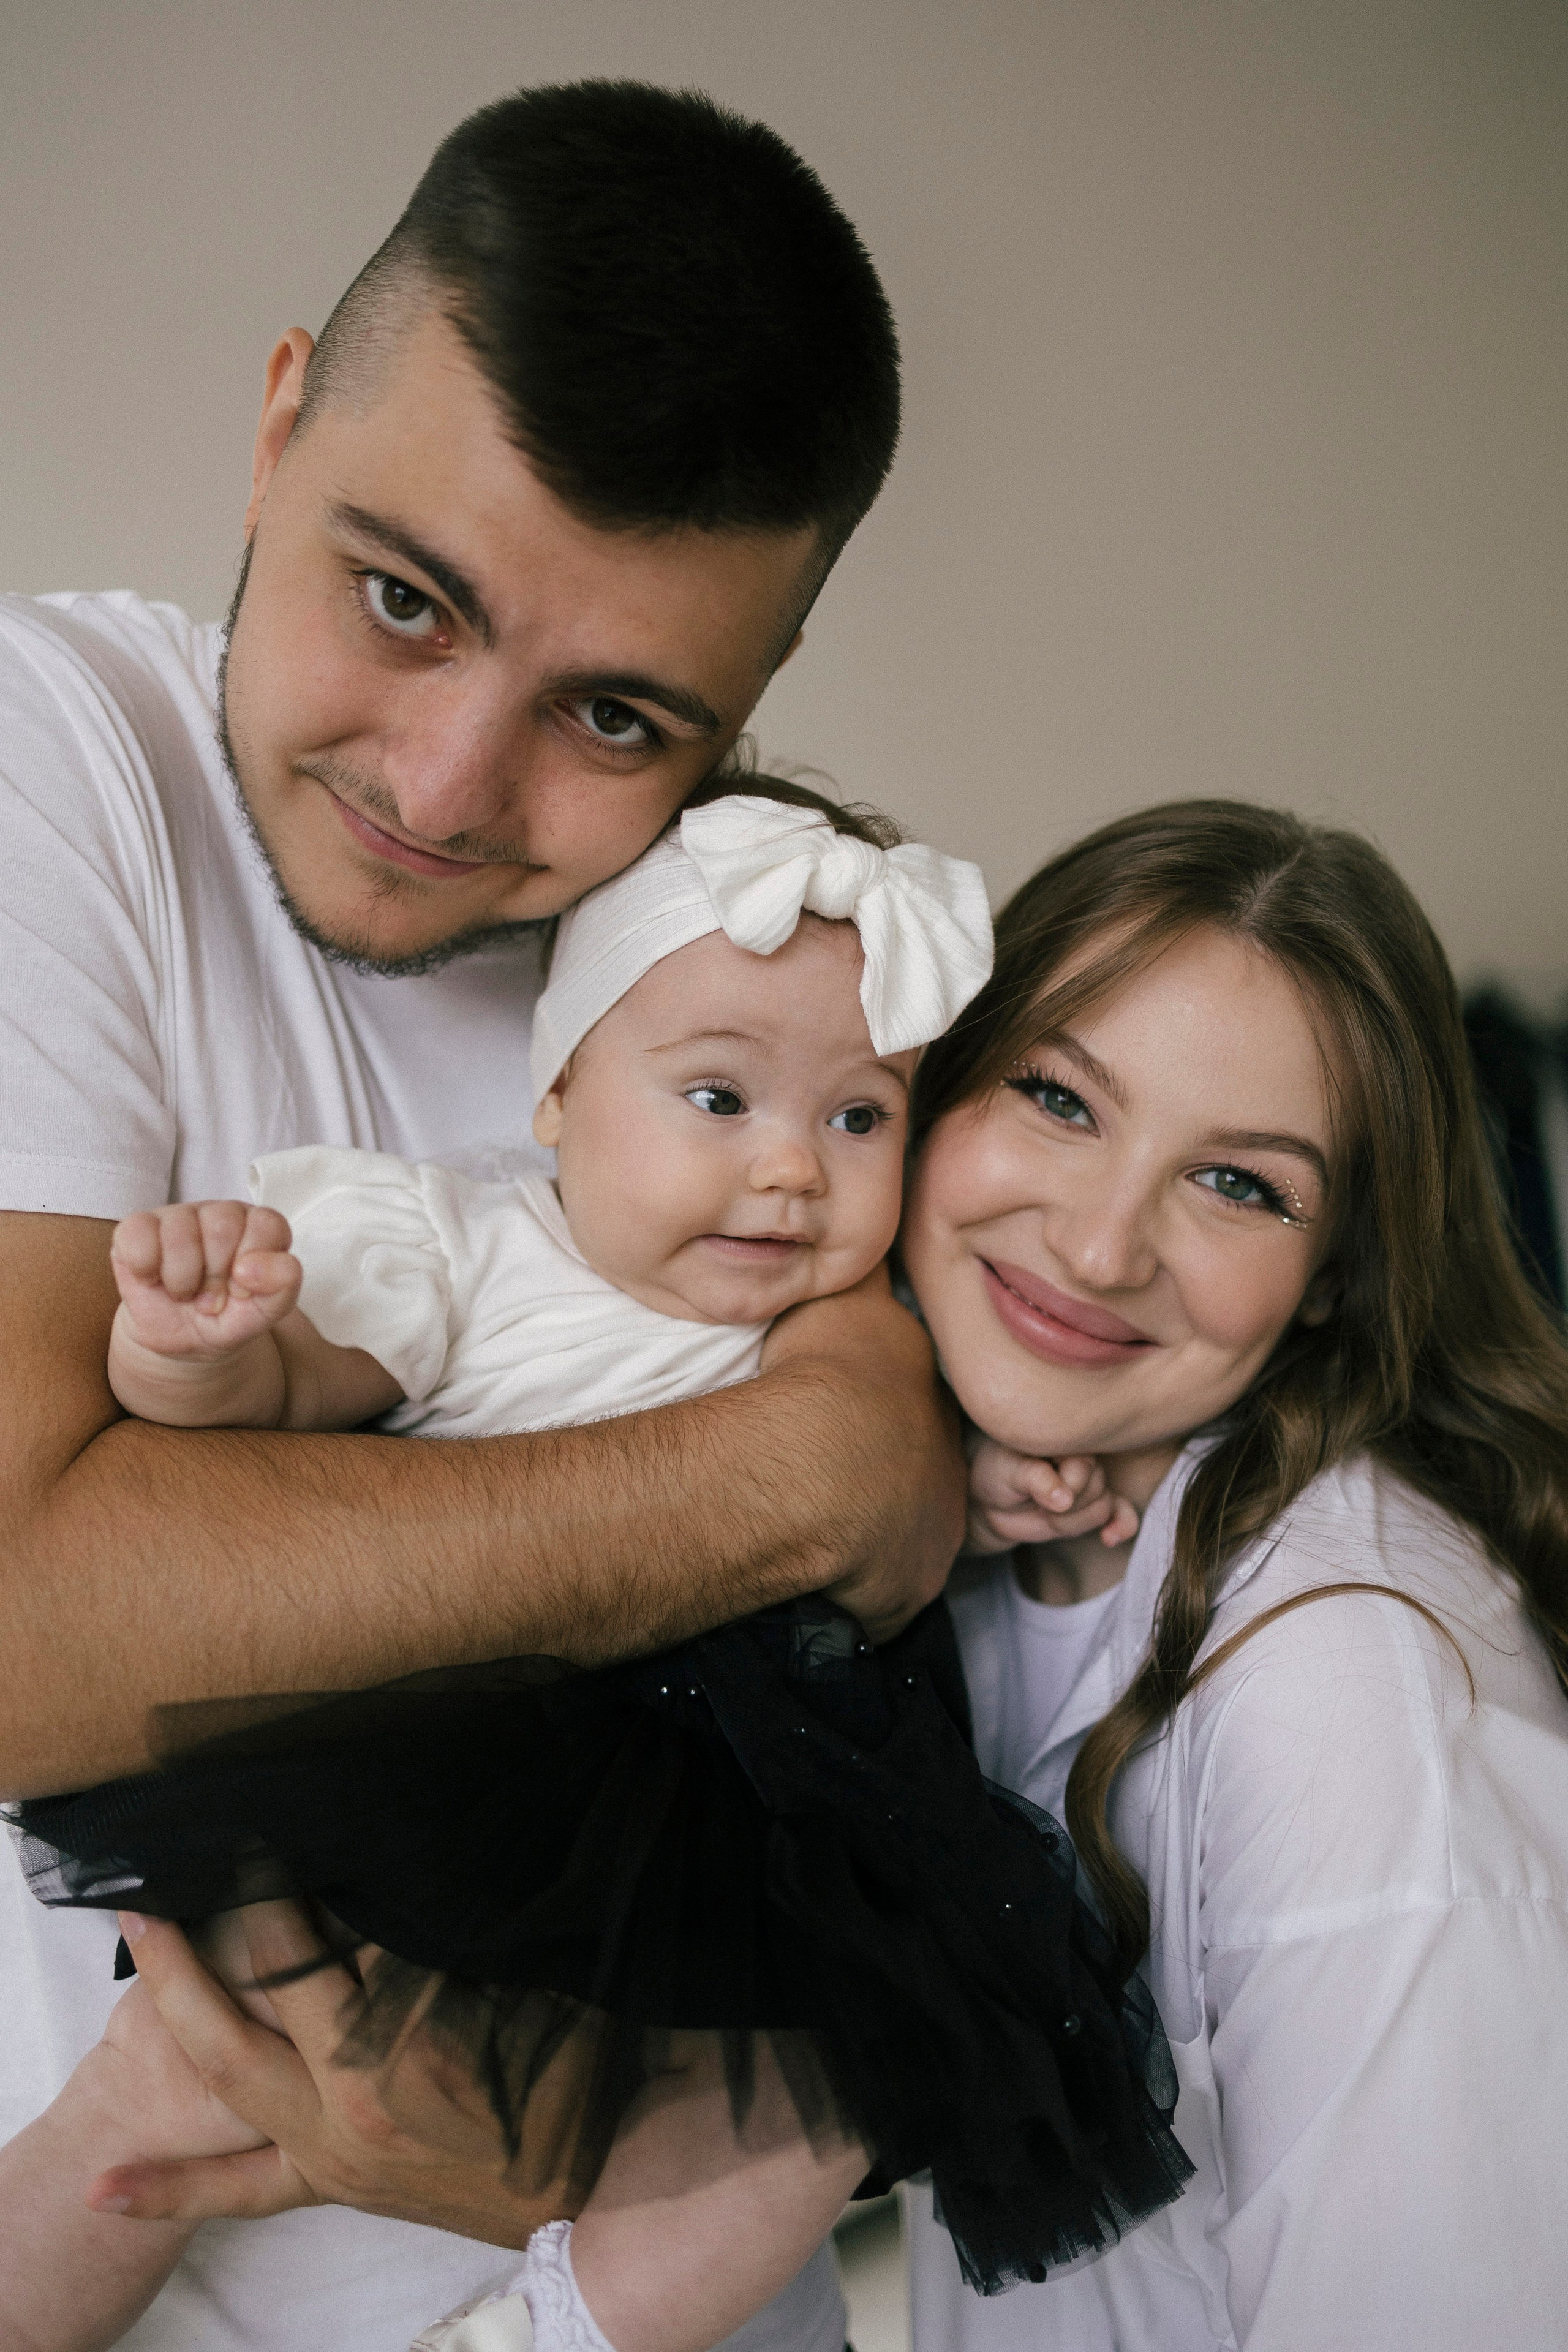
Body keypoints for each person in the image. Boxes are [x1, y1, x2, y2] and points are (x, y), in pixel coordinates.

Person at [0, 80, 967, 2352]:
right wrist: (797, 1463)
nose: (448, 788)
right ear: (272, 431)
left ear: (752, 705)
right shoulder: (59, 767)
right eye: (402, 594)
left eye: (620, 713)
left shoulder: (760, 950)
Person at [9, 788, 1179, 2352]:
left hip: (750, 1835)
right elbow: (278, 1413)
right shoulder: (464, 1248)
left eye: (858, 1119)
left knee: (826, 2099)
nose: (787, 1173)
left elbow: (882, 1538)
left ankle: (548, 2333)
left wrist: (989, 1494)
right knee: (171, 2080)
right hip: (464, 1784)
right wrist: (196, 1351)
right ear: (559, 1090)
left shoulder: (843, 1336)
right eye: (717, 1100)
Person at [889, 799, 1568, 2349]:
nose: (1101, 1241)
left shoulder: (1353, 1700)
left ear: (1335, 1274)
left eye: (1239, 1185)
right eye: (1058, 1098)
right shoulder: (947, 1532)